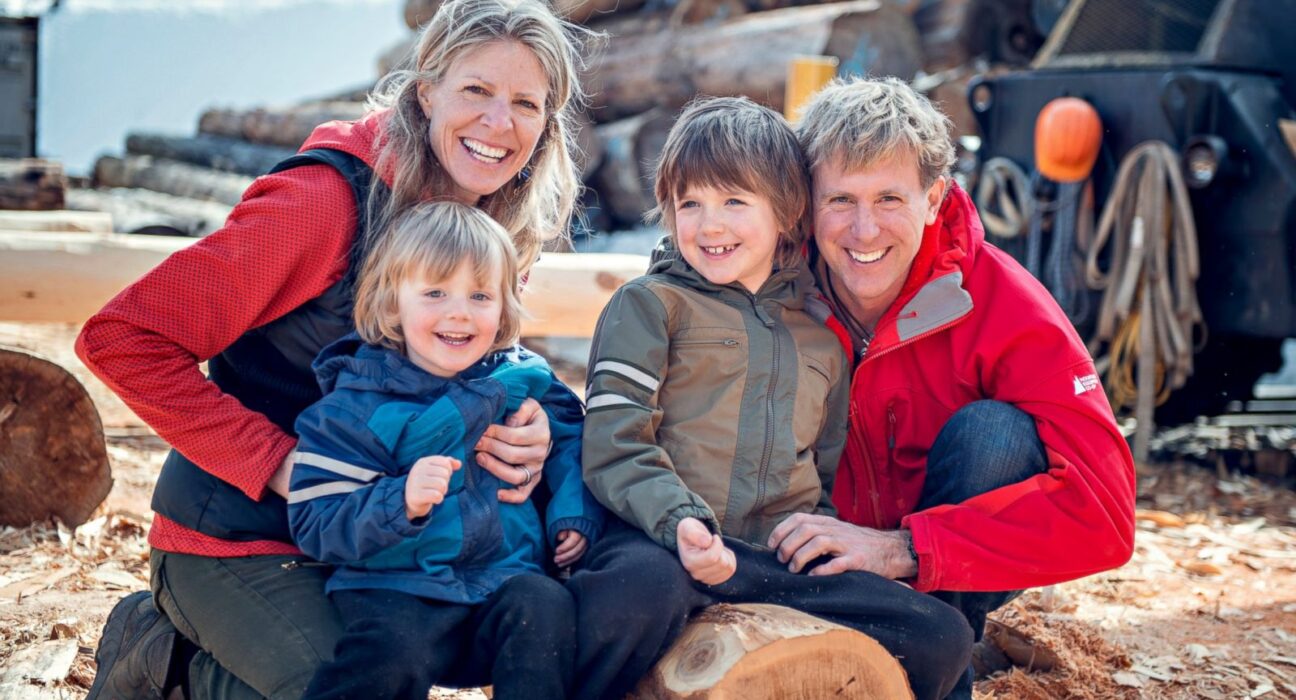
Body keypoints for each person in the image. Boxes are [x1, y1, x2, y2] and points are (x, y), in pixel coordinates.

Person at [76, 1, 594, 697]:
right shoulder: (323, 204)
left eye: (525, 103)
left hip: (386, 554)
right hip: (242, 536)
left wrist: (523, 430)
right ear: (426, 90)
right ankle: (163, 660)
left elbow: (469, 374)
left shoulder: (494, 216)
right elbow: (123, 339)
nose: (499, 124)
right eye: (476, 91)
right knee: (337, 688)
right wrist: (280, 463)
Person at [568, 96, 974, 700]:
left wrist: (825, 537)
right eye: (690, 203)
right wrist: (681, 522)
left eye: (734, 201)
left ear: (786, 211)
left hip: (769, 565)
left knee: (942, 634)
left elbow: (829, 471)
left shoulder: (821, 340)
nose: (710, 225)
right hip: (660, 544)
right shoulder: (650, 307)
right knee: (634, 598)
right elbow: (613, 444)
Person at [767, 76, 1137, 695]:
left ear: (935, 198)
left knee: (994, 435)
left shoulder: (1005, 302)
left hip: (937, 560)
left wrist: (907, 548)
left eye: (889, 198)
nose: (864, 231)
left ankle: (940, 654)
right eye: (840, 201)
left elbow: (1105, 515)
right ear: (806, 202)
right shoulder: (767, 282)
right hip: (803, 548)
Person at [287, 202, 602, 700]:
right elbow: (314, 521)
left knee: (544, 604)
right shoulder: (354, 406)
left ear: (504, 307)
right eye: (435, 292)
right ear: (392, 303)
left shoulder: (524, 381)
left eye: (480, 295)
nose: (459, 311)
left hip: (502, 579)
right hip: (397, 588)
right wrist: (400, 500)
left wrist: (572, 516)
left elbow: (572, 445)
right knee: (391, 653)